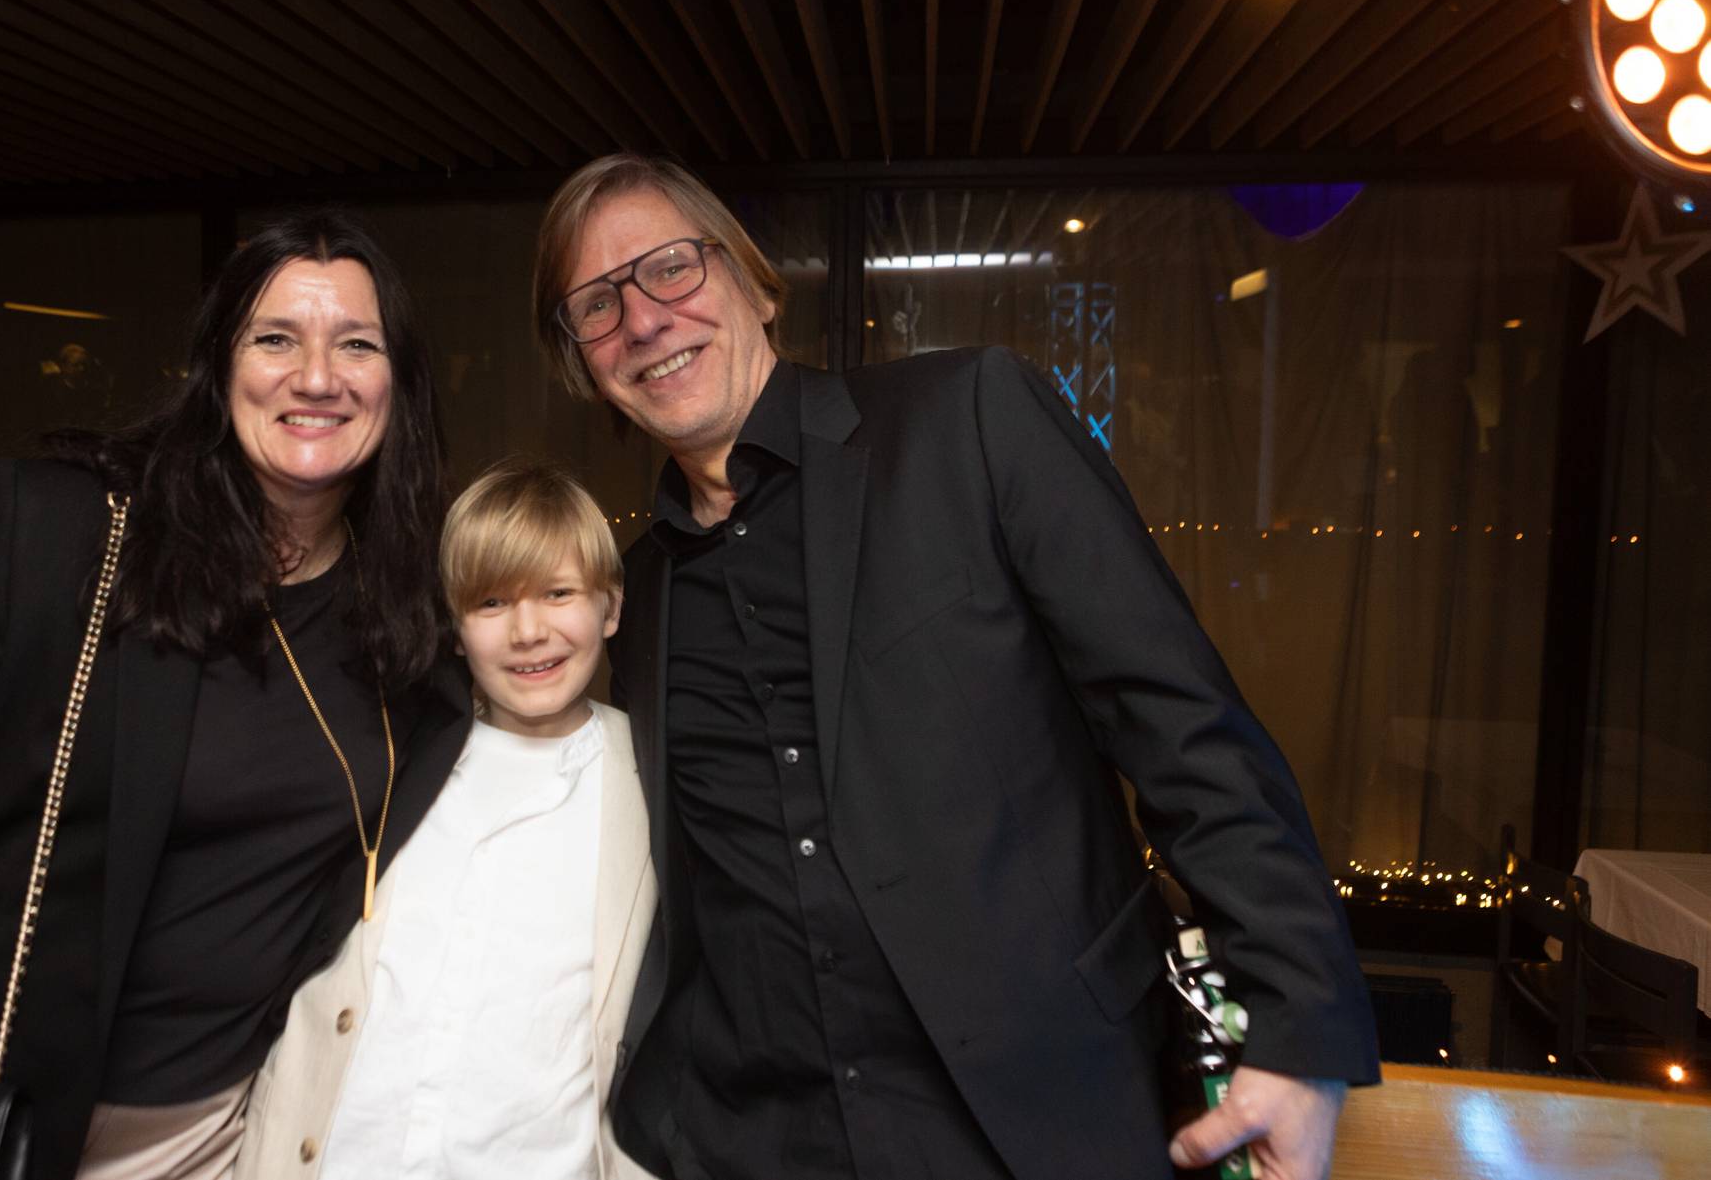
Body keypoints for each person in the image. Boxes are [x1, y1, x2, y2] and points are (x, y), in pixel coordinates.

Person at [529, 154, 1380, 1180]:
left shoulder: (970, 417)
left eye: (670, 266)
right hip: (758, 1141)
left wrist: (1297, 1030)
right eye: (597, 304)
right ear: (584, 361)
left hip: (1045, 1115)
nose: (643, 318)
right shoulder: (637, 595)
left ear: (753, 283)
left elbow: (1183, 725)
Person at [0, 207, 472, 1180]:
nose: (317, 376)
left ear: (401, 381)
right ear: (219, 365)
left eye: (357, 343)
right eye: (275, 338)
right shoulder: (57, 534)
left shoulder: (407, 615)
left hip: (242, 1136)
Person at [239, 457, 657, 1180]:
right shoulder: (389, 755)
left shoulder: (650, 775)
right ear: (456, 628)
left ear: (610, 607)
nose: (528, 631)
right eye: (491, 602)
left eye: (558, 593)